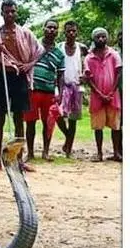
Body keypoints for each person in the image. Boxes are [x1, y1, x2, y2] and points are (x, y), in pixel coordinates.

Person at [0, 0, 42, 172]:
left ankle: (19, 159)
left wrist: (29, 65)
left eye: (13, 12)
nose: (10, 15)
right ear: (2, 13)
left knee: (19, 119)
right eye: (6, 12)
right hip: (2, 77)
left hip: (19, 77)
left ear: (16, 13)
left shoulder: (25, 33)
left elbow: (38, 52)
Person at [24, 19, 65, 162]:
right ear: (43, 29)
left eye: (54, 28)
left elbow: (60, 75)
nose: (52, 30)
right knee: (30, 122)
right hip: (33, 89)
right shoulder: (34, 46)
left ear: (57, 31)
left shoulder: (60, 54)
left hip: (49, 91)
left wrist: (59, 93)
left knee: (48, 123)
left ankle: (45, 152)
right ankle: (29, 153)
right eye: (49, 27)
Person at [83, 27, 122, 162]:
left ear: (107, 38)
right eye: (98, 37)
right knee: (98, 127)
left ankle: (116, 152)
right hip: (97, 97)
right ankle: (99, 153)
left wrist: (111, 92)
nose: (101, 39)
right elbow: (88, 78)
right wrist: (100, 94)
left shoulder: (114, 54)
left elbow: (119, 73)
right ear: (93, 39)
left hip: (113, 96)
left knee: (115, 126)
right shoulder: (89, 58)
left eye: (103, 36)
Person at [56, 20, 88, 158]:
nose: (71, 33)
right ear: (64, 32)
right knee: (57, 114)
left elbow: (89, 61)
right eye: (69, 31)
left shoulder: (82, 48)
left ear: (77, 32)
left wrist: (85, 74)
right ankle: (68, 136)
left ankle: (68, 148)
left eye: (74, 31)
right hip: (62, 86)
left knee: (73, 119)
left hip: (76, 86)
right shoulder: (59, 47)